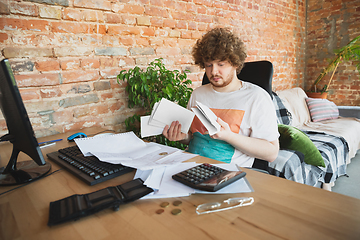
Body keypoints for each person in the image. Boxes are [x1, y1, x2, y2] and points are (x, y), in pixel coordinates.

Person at [162, 27, 279, 168]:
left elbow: (272, 153)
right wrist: (183, 137)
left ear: (235, 63)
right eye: (208, 65)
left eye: (221, 64)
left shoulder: (257, 97)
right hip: (190, 166)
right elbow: (195, 138)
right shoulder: (197, 94)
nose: (213, 71)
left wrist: (229, 136)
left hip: (230, 171)